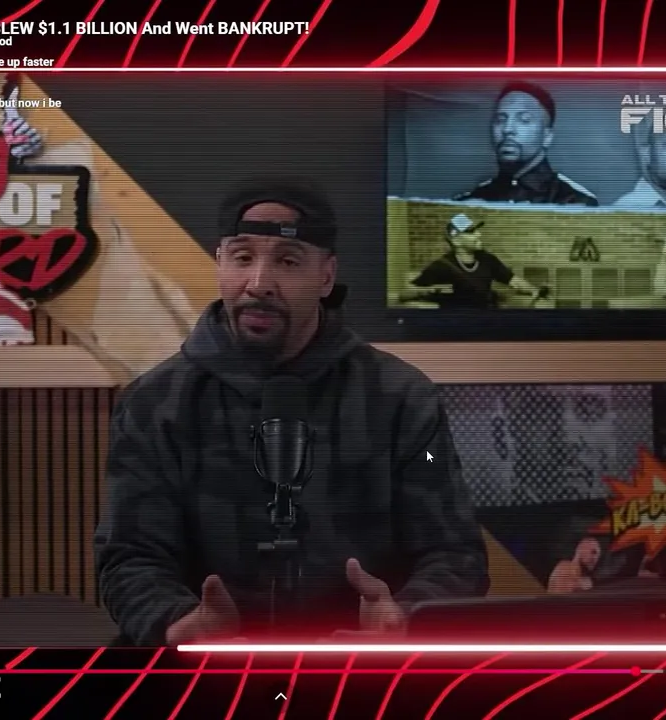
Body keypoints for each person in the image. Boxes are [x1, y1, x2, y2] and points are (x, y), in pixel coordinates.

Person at [95, 180, 489, 645]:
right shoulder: (154, 403)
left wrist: (401, 618)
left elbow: (455, 555)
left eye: (287, 261)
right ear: (220, 262)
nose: (259, 283)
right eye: (242, 257)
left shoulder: (401, 398)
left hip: (358, 665)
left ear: (326, 276)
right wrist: (177, 622)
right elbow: (129, 556)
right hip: (201, 667)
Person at [454, 82, 598, 206]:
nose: (507, 129)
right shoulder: (470, 202)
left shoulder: (576, 202)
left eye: (524, 120)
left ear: (547, 136)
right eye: (500, 120)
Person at [399, 213, 547, 308]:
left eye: (477, 230)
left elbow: (513, 280)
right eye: (471, 232)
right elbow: (407, 293)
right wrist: (433, 291)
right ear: (456, 241)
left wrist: (534, 291)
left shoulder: (487, 259)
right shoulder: (441, 266)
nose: (479, 234)